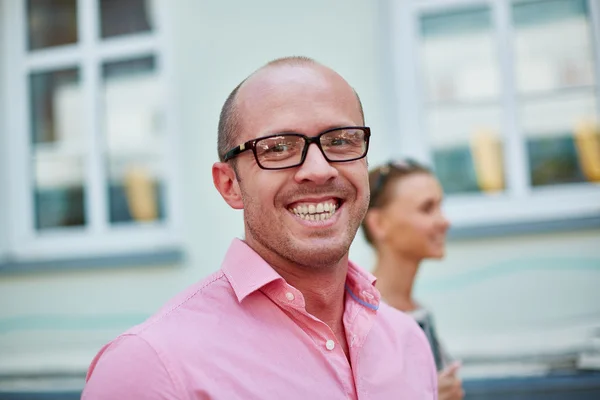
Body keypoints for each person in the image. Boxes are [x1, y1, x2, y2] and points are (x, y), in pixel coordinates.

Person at [81, 57, 438, 399]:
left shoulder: (408, 343)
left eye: (340, 141)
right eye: (278, 147)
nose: (319, 168)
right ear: (229, 185)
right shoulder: (151, 366)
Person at [362, 159, 464, 400]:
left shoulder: (419, 313)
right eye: (427, 209)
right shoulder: (364, 319)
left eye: (440, 207)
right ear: (378, 224)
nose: (444, 221)